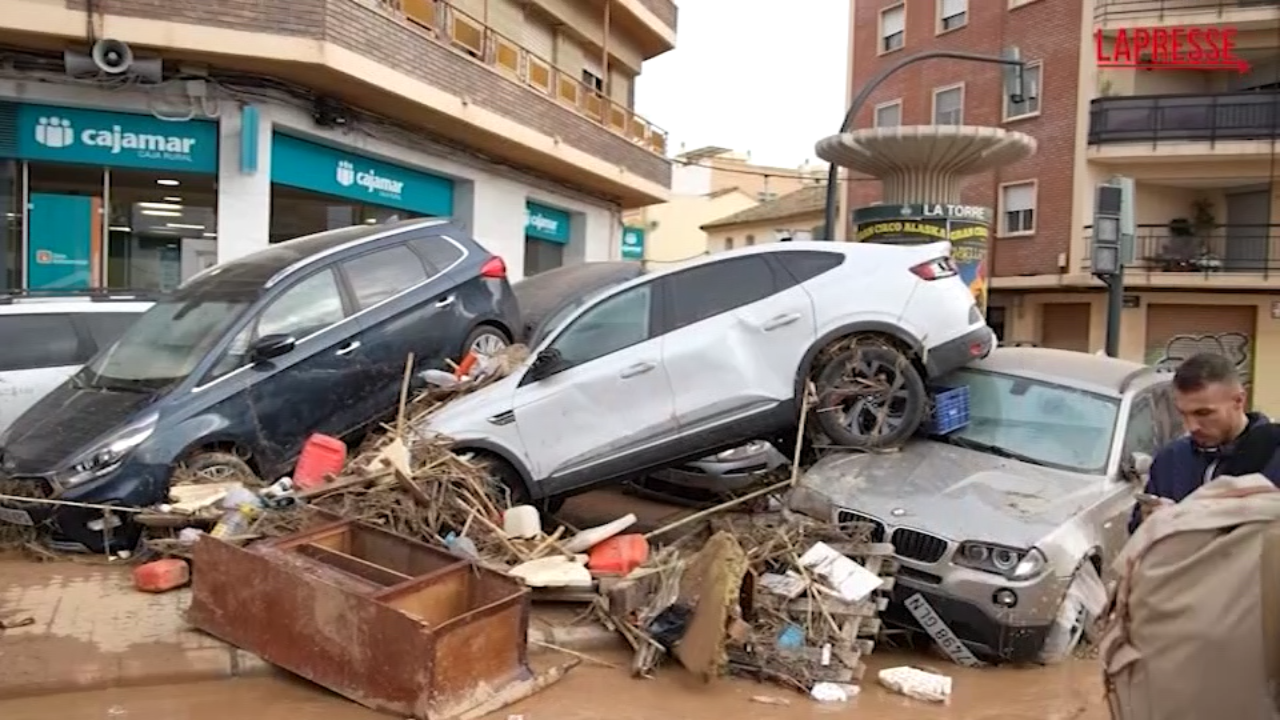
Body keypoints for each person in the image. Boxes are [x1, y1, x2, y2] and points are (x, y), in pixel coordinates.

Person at [1129, 352, 1280, 533]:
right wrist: (1149, 520)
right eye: (1183, 413)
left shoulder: (1275, 455)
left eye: (1203, 413)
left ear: (1239, 400)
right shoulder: (1171, 459)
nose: (1191, 426)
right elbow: (1136, 531)